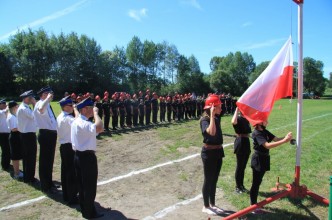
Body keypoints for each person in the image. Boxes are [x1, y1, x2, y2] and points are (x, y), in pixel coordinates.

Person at [249, 120, 292, 214]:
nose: (267, 122)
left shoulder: (264, 131)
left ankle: (254, 203)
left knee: (258, 181)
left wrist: (286, 138)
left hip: (264, 158)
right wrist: (284, 141)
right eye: (265, 121)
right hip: (258, 160)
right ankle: (253, 206)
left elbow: (276, 139)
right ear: (259, 123)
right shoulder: (257, 133)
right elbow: (267, 145)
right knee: (256, 183)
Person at [71, 97, 103, 219]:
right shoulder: (85, 124)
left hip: (78, 156)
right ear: (84, 109)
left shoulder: (76, 121)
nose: (92, 110)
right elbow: (100, 127)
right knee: (89, 187)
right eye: (90, 108)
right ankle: (90, 213)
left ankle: (86, 209)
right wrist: (96, 114)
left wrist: (76, 108)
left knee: (82, 185)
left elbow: (77, 113)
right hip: (87, 158)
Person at [200, 94, 225, 215]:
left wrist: (214, 116)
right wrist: (212, 116)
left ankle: (213, 204)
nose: (221, 108)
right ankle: (206, 206)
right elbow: (211, 132)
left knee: (214, 180)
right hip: (209, 153)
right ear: (213, 107)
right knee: (208, 179)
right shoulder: (204, 120)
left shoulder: (215, 119)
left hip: (218, 152)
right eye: (219, 106)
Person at [34, 86, 58, 193]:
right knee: (45, 161)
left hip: (51, 134)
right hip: (45, 134)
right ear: (44, 94)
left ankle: (49, 182)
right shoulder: (41, 103)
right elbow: (40, 109)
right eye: (49, 93)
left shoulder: (47, 104)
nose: (51, 95)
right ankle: (45, 185)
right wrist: (47, 99)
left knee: (50, 160)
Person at [57, 96, 79, 204]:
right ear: (65, 107)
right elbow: (79, 122)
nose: (72, 107)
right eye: (70, 105)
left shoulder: (61, 116)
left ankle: (66, 194)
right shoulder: (68, 118)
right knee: (71, 172)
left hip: (64, 146)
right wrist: (76, 110)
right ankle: (72, 197)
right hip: (69, 147)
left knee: (65, 171)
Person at [17, 90, 38, 183]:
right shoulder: (24, 109)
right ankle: (29, 177)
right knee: (30, 157)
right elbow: (35, 116)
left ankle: (29, 176)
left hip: (27, 135)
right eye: (30, 98)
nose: (32, 99)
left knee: (29, 157)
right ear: (26, 98)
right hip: (27, 135)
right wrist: (35, 104)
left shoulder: (25, 107)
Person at [231, 107, 251, 193]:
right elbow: (233, 122)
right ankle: (237, 187)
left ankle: (241, 185)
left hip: (246, 142)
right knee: (240, 166)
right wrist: (236, 110)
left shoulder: (246, 120)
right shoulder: (238, 118)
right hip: (240, 142)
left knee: (243, 166)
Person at [6, 101, 24, 179]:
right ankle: (17, 173)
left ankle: (18, 172)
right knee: (15, 156)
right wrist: (23, 128)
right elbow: (14, 129)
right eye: (17, 106)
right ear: (14, 108)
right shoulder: (12, 117)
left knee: (17, 154)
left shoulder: (13, 115)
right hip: (14, 136)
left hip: (16, 136)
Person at [0, 99, 11, 171]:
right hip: (2, 134)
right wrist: (7, 106)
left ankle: (7, 163)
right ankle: (4, 165)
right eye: (2, 104)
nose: (4, 105)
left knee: (8, 149)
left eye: (4, 104)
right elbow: (6, 111)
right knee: (5, 150)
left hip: (7, 133)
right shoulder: (1, 112)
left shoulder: (4, 112)